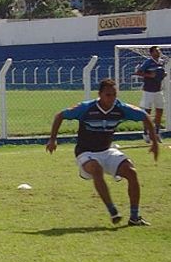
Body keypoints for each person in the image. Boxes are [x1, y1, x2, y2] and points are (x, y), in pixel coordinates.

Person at [46, 78, 158, 226]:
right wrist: (52, 139)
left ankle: (134, 217)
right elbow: (60, 115)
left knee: (131, 171)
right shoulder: (86, 108)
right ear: (100, 94)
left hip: (107, 151)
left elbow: (144, 116)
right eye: (107, 95)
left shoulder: (120, 108)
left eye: (114, 95)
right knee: (96, 168)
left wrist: (154, 142)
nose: (111, 98)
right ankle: (113, 211)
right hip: (86, 152)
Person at [134, 46, 166, 143]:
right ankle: (146, 133)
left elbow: (161, 73)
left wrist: (164, 74)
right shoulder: (148, 62)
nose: (159, 52)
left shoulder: (161, 62)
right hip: (148, 90)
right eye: (157, 51)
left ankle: (156, 132)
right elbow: (138, 72)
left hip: (158, 90)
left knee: (159, 111)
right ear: (152, 53)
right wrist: (150, 75)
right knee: (147, 112)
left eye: (159, 50)